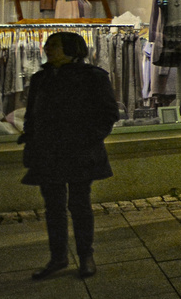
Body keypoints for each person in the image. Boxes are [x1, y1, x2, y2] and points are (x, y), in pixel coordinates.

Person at [20, 31, 119, 279]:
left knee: (79, 204)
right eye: (47, 45)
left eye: (53, 45)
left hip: (79, 152)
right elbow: (31, 115)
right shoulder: (41, 79)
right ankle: (58, 258)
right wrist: (31, 139)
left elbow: (108, 114)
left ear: (71, 49)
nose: (47, 49)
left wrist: (88, 139)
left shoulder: (93, 77)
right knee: (53, 207)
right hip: (47, 152)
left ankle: (86, 256)